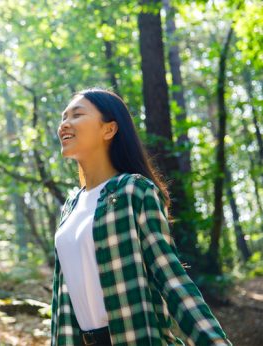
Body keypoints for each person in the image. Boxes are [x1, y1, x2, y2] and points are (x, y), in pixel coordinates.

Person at [50, 87, 232, 346]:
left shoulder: (133, 190)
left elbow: (170, 277)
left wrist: (214, 342)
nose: (64, 124)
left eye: (76, 115)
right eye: (63, 117)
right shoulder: (70, 206)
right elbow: (61, 303)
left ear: (109, 129)